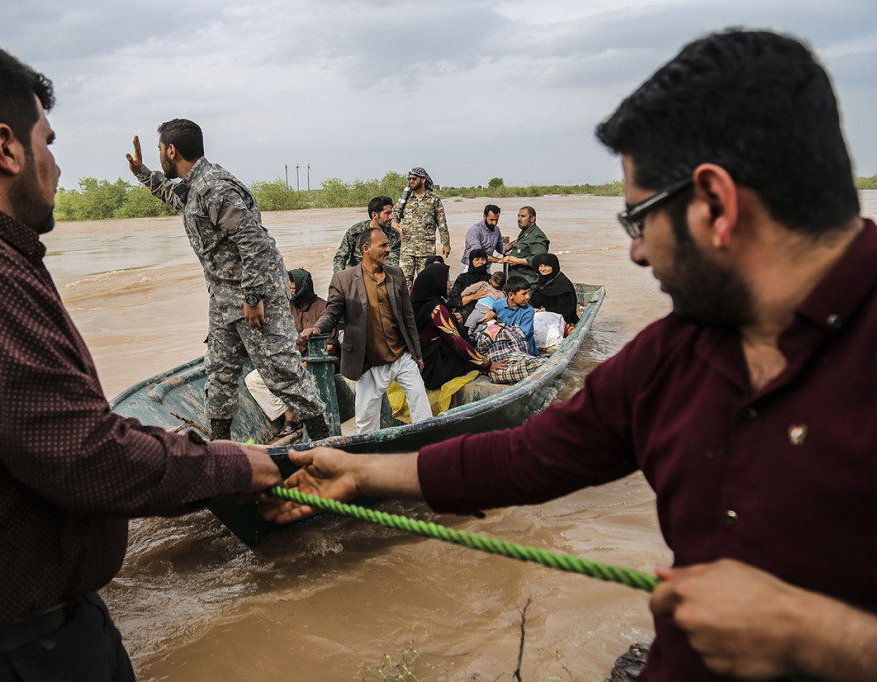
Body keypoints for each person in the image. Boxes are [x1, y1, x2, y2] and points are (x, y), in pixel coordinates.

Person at [263, 29, 877, 681]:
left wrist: (824, 639)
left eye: (638, 221)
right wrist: (361, 473)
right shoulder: (671, 357)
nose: (636, 252)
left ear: (717, 205)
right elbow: (523, 457)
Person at [0, 39, 282, 681]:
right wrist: (237, 465)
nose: (54, 165)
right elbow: (83, 455)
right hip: (0, 652)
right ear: (6, 147)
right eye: (47, 142)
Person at [128, 120, 329, 441]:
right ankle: (220, 449)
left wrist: (252, 298)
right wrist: (141, 172)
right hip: (224, 299)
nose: (160, 155)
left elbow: (253, 242)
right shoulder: (194, 187)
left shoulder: (214, 187)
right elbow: (174, 197)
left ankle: (326, 445)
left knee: (282, 373)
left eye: (159, 150)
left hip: (254, 296)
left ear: (171, 150)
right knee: (219, 376)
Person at [301, 228, 433, 433]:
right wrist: (317, 328)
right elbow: (332, 312)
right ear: (366, 249)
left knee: (422, 410)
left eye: (388, 245)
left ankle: (428, 445)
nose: (389, 249)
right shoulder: (343, 279)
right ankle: (369, 452)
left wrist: (417, 354)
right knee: (366, 424)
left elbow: (408, 317)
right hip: (368, 362)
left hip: (401, 356)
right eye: (383, 245)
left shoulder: (396, 274)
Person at [245, 268, 337, 436]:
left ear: (304, 286)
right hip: (291, 360)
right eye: (288, 286)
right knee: (253, 379)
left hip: (318, 363)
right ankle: (290, 413)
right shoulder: (285, 308)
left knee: (292, 376)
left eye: (293, 286)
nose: (290, 290)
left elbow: (331, 348)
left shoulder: (323, 308)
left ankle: (293, 418)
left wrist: (306, 363)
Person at [408, 263, 505, 390]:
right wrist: (487, 364)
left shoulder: (420, 303)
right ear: (436, 283)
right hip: (435, 366)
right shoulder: (437, 309)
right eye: (447, 280)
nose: (450, 284)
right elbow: (456, 341)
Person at [391, 167, 451, 282]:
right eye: (409, 179)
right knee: (403, 281)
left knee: (426, 281)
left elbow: (442, 222)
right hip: (407, 249)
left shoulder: (434, 199)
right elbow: (395, 212)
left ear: (423, 180)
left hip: (426, 250)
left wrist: (446, 243)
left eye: (414, 179)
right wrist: (394, 222)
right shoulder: (405, 198)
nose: (411, 181)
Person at [332, 195, 401, 271]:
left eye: (391, 213)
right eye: (387, 213)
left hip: (379, 273)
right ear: (374, 215)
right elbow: (340, 257)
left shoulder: (393, 235)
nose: (391, 217)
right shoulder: (356, 231)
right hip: (355, 273)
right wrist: (339, 275)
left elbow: (393, 263)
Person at [479, 275, 539, 356]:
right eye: (524, 294)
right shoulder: (497, 304)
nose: (528, 296)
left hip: (523, 350)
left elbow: (524, 335)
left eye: (528, 292)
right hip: (502, 347)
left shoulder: (528, 311)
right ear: (511, 295)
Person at [502, 206, 549, 287]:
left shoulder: (536, 236)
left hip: (528, 285)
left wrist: (517, 261)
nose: (519, 219)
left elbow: (539, 259)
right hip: (516, 283)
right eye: (518, 216)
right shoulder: (524, 232)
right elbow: (523, 252)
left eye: (523, 216)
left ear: (532, 219)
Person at [529, 253, 578, 325]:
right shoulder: (543, 281)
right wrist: (533, 309)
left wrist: (546, 311)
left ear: (553, 266)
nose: (543, 269)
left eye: (546, 266)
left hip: (563, 320)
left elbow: (568, 310)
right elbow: (534, 300)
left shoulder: (562, 284)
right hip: (542, 316)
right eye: (540, 266)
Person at [460, 205, 509, 273]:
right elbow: (478, 254)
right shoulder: (475, 231)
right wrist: (499, 260)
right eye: (491, 220)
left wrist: (515, 243)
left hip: (486, 267)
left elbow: (501, 248)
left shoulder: (496, 230)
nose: (494, 223)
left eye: (496, 220)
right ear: (484, 216)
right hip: (470, 267)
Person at [448, 249, 492, 320]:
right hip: (463, 317)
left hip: (484, 316)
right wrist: (474, 296)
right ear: (471, 261)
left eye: (483, 259)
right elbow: (452, 301)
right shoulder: (463, 278)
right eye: (477, 260)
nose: (480, 262)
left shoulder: (491, 279)